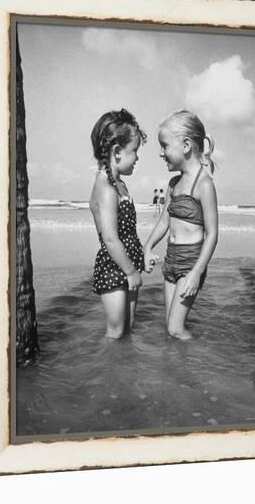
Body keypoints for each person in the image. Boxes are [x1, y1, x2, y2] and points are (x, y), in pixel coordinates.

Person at [144, 110, 218, 340]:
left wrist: (196, 272)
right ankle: (177, 370)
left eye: (165, 146)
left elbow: (213, 234)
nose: (161, 153)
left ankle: (200, 364)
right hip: (171, 259)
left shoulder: (203, 184)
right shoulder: (174, 183)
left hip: (190, 262)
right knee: (169, 326)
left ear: (186, 145)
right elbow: (165, 220)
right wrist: (147, 247)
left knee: (175, 328)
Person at [89, 108, 147, 338]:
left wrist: (140, 258)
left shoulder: (119, 185)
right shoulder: (105, 188)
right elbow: (111, 238)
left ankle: (125, 371)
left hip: (129, 261)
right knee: (115, 330)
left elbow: (128, 232)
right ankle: (109, 370)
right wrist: (131, 271)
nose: (137, 157)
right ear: (116, 151)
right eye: (134, 151)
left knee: (128, 325)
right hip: (115, 267)